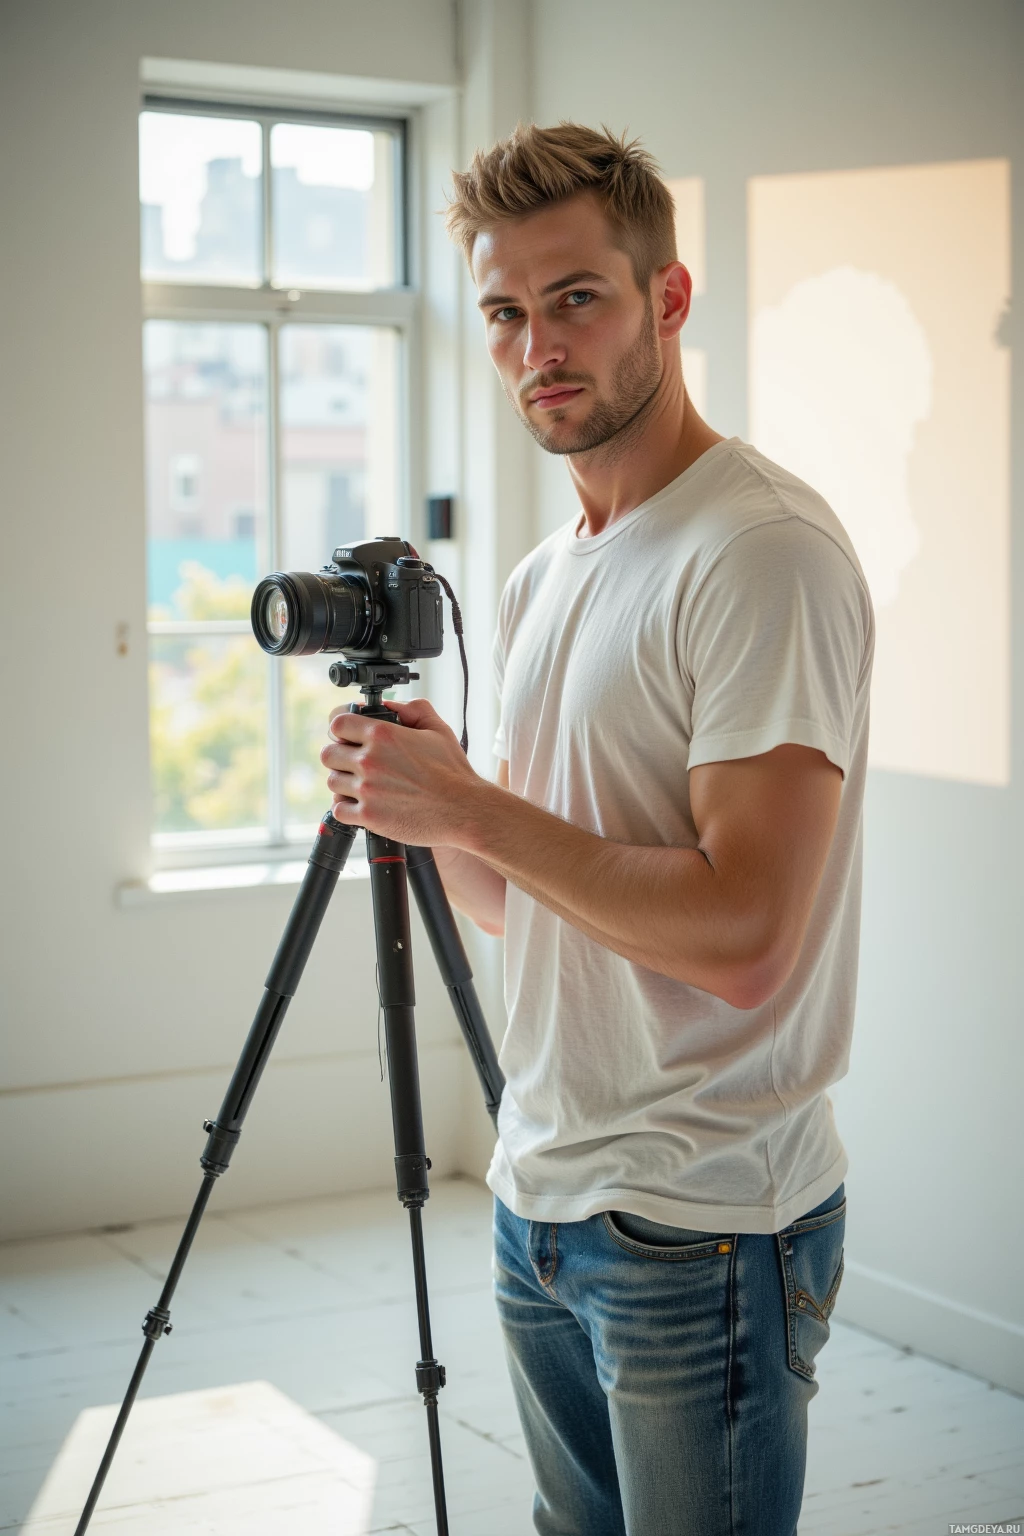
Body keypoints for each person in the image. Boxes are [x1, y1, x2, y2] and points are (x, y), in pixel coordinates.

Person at [321, 122, 875, 1536]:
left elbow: (746, 941)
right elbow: (521, 901)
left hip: (702, 1221)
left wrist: (478, 808)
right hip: (543, 1190)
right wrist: (431, 798)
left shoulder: (758, 553)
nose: (535, 348)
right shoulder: (541, 575)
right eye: (506, 312)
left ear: (668, 301)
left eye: (577, 298)